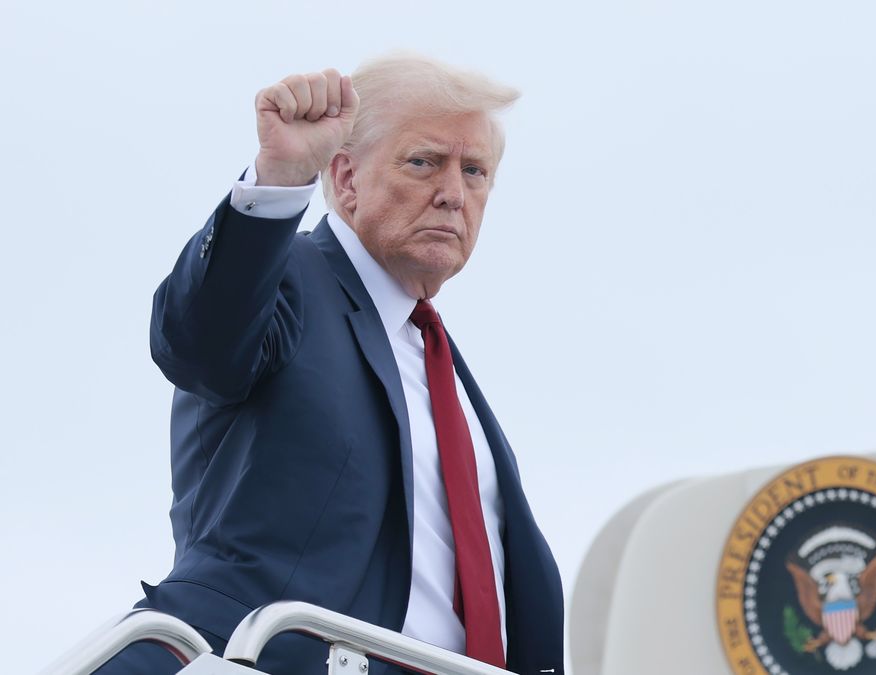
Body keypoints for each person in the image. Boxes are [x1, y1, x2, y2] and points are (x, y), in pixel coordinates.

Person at [95, 52, 564, 675]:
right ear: (345, 179)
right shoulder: (284, 279)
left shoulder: (442, 370)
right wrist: (280, 177)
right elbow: (198, 343)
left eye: (474, 171)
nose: (453, 194)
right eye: (424, 162)